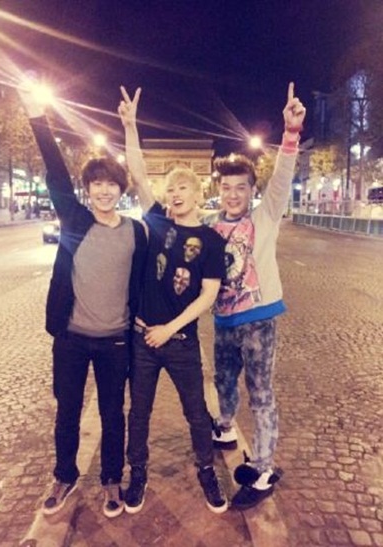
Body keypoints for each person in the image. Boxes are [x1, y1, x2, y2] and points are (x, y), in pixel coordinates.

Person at [18, 82, 147, 519]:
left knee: (113, 415)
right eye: (97, 184)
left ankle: (112, 478)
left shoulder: (136, 232)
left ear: (121, 190)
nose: (104, 191)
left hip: (115, 341)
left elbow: (148, 280)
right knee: (67, 412)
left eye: (111, 185)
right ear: (88, 189)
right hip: (71, 339)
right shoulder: (74, 219)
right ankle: (65, 475)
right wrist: (38, 116)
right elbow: (55, 172)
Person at [118, 86, 228, 514]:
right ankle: (138, 473)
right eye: (170, 188)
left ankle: (206, 470)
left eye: (183, 187)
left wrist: (171, 329)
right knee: (138, 413)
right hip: (143, 337)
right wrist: (130, 126)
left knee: (197, 413)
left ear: (198, 193)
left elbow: (209, 294)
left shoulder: (211, 240)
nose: (175, 193)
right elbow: (137, 173)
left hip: (180, 341)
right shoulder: (158, 221)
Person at [205, 82, 306, 509]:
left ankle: (263, 468)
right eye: (227, 187)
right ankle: (225, 427)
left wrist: (291, 133)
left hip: (259, 318)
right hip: (223, 320)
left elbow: (281, 180)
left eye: (241, 187)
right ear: (219, 189)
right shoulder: (209, 227)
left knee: (260, 392)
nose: (233, 194)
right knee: (224, 382)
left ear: (251, 190)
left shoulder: (265, 217)